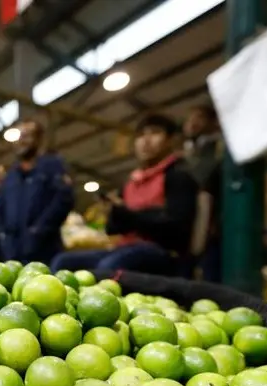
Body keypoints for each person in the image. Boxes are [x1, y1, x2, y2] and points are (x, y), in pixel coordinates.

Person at [50, 113, 199, 273]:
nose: (146, 141)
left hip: (162, 252)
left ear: (171, 140)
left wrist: (129, 215)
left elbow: (177, 230)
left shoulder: (178, 176)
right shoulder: (131, 183)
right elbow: (112, 229)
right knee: (64, 262)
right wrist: (113, 212)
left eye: (155, 133)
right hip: (126, 248)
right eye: (141, 135)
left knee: (109, 267)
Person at [0, 120, 74, 263]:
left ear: (38, 140)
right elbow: (1, 207)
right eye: (19, 137)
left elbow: (64, 199)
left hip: (45, 249)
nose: (21, 141)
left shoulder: (52, 166)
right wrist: (3, 234)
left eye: (27, 136)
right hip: (13, 252)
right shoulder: (10, 175)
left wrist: (39, 231)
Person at [183, 104, 224, 282]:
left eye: (199, 117)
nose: (192, 123)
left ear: (213, 122)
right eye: (190, 118)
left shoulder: (216, 147)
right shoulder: (192, 148)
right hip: (194, 216)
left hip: (211, 216)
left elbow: (203, 178)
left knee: (210, 263)